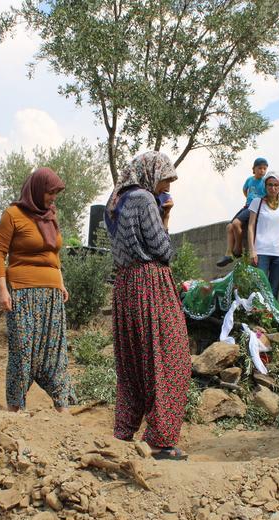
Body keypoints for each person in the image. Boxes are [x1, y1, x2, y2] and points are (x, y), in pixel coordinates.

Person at [105, 151, 191, 460]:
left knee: (133, 365)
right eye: (165, 179)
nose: (167, 186)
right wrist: (165, 218)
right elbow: (162, 250)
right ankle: (159, 440)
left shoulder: (115, 200)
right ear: (151, 173)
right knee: (171, 359)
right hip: (150, 283)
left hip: (125, 286)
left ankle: (124, 430)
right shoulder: (144, 199)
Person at [0, 167, 75, 412]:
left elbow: (54, 254)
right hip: (22, 292)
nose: (53, 198)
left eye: (55, 193)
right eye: (50, 193)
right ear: (37, 190)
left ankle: (62, 407)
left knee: (55, 352)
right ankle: (15, 407)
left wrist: (60, 282)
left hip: (51, 294)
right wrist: (2, 290)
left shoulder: (50, 216)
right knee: (22, 350)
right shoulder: (13, 214)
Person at [217, 157, 269, 267]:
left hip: (256, 208)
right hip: (247, 206)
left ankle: (238, 248)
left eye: (264, 169)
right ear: (254, 169)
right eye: (260, 168)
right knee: (229, 227)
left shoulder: (265, 182)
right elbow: (245, 190)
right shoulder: (250, 180)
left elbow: (268, 196)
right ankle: (228, 254)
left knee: (236, 223)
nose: (262, 171)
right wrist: (249, 198)